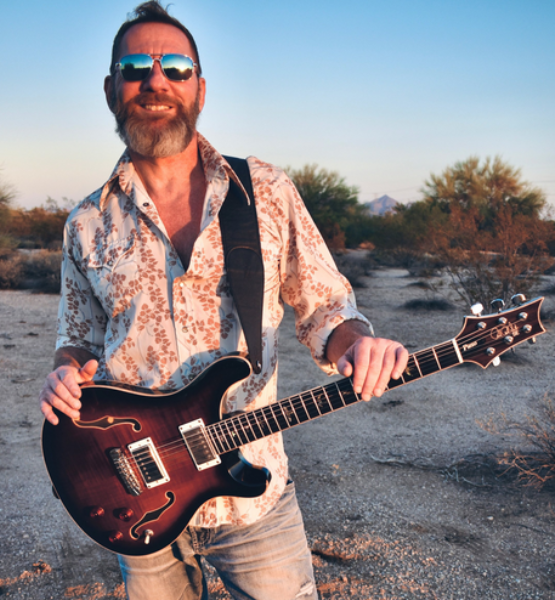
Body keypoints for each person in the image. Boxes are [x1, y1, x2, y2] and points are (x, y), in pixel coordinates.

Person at [38, 2, 409, 599]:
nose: (154, 81)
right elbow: (75, 342)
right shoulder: (85, 222)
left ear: (200, 89)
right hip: (137, 501)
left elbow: (325, 309)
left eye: (175, 67)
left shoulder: (262, 191)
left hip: (251, 496)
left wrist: (361, 346)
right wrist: (63, 376)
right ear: (111, 89)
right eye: (135, 66)